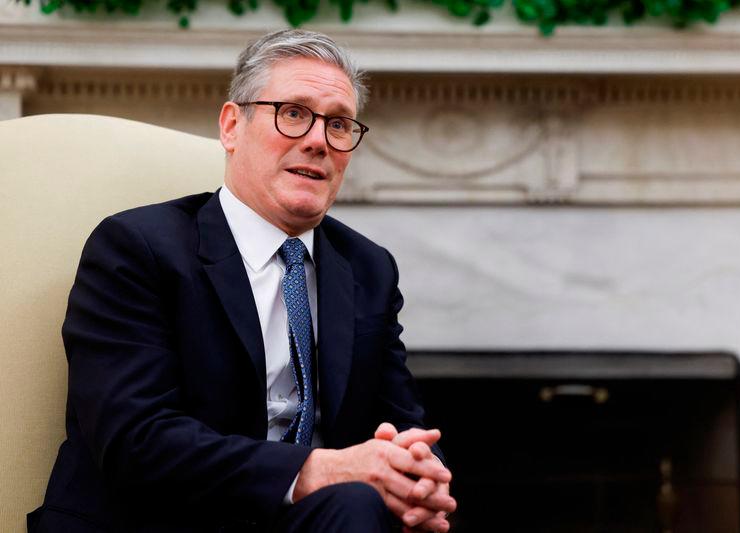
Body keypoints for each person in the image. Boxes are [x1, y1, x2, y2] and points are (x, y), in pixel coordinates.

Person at [28, 29, 456, 533]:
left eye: (339, 125)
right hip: (155, 519)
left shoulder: (368, 268)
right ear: (232, 126)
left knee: (366, 508)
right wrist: (314, 470)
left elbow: (401, 420)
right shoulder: (136, 248)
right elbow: (134, 441)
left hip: (320, 522)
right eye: (293, 113)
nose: (318, 140)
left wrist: (418, 477)